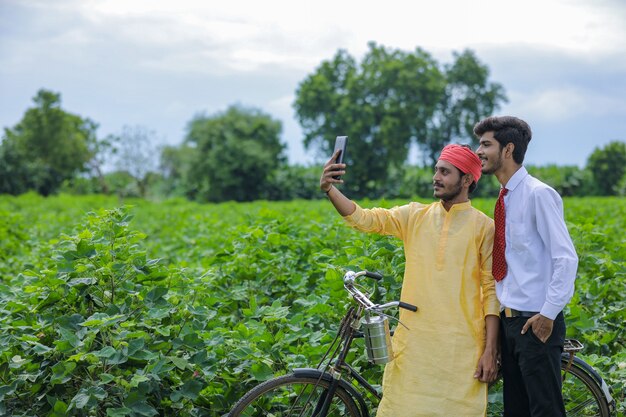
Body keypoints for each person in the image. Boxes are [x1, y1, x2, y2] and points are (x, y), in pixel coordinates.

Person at [320, 144, 500, 417]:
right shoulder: (415, 216)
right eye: (436, 170)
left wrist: (490, 350)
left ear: (466, 180)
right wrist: (330, 190)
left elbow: (491, 291)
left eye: (445, 172)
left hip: (460, 349)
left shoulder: (484, 227)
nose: (436, 177)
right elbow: (365, 219)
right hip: (415, 343)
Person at [474, 116, 578, 417]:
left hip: (536, 322)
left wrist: (547, 314)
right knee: (516, 412)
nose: (479, 151)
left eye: (485, 144)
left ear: (507, 149)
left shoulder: (537, 194)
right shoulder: (505, 198)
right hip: (510, 324)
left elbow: (565, 258)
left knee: (545, 411)